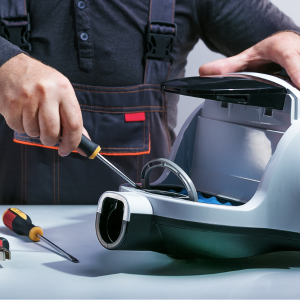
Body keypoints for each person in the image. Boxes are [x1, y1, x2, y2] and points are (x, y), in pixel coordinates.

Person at [0, 0, 299, 204]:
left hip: (151, 244)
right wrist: (5, 64)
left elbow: (284, 43)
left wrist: (289, 42)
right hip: (12, 236)